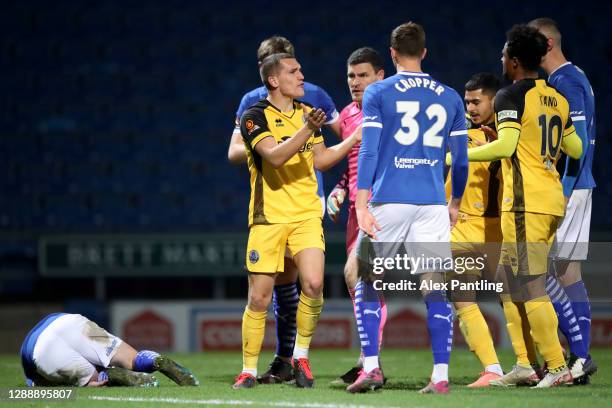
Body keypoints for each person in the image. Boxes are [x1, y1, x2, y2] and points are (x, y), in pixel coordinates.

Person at [350, 22, 469, 394]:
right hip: (432, 202)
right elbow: (461, 161)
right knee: (434, 286)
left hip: (389, 199)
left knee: (364, 276)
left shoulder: (379, 92)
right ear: (425, 52)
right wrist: (454, 202)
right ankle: (441, 376)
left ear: (392, 53)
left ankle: (370, 366)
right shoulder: (450, 96)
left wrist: (361, 200)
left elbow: (368, 150)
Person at [462, 24, 583, 388]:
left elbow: (505, 146)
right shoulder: (557, 98)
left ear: (513, 61)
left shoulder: (510, 96)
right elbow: (576, 148)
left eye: (503, 55)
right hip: (550, 199)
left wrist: (461, 155)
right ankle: (525, 364)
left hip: (525, 203)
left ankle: (557, 367)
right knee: (506, 279)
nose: (501, 60)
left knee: (530, 284)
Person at [233, 53, 360, 389]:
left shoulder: (307, 115)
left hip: (305, 215)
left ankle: (300, 357)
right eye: (294, 71)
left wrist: (352, 139)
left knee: (315, 285)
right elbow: (274, 157)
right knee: (259, 298)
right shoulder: (253, 116)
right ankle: (247, 370)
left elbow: (321, 161)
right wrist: (308, 129)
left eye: (301, 70)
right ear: (274, 80)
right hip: (268, 218)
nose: (302, 76)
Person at [529, 17, 597, 383]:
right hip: (576, 185)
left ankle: (579, 355)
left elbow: (580, 141)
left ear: (549, 44)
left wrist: (566, 188)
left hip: (569, 186)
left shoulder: (566, 80)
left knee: (545, 272)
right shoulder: (568, 78)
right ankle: (578, 357)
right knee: (567, 271)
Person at [324, 47, 386, 387]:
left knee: (365, 282)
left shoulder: (389, 111)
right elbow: (352, 165)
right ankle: (368, 360)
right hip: (354, 211)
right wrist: (340, 189)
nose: (355, 82)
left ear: (380, 75)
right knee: (358, 285)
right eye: (351, 76)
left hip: (379, 209)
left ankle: (369, 362)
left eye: (363, 75)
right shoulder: (348, 114)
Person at [445, 72, 505, 387]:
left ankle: (544, 362)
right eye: (467, 101)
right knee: (461, 297)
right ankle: (492, 368)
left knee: (514, 296)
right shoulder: (458, 130)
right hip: (460, 226)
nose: (470, 107)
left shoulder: (509, 132)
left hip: (497, 228)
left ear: (494, 100)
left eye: (476, 101)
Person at [20, 313, 199, 387]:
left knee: (94, 381)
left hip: (42, 349)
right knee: (132, 359)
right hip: (68, 321)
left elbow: (38, 387)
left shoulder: (30, 369)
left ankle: (111, 376)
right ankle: (157, 361)